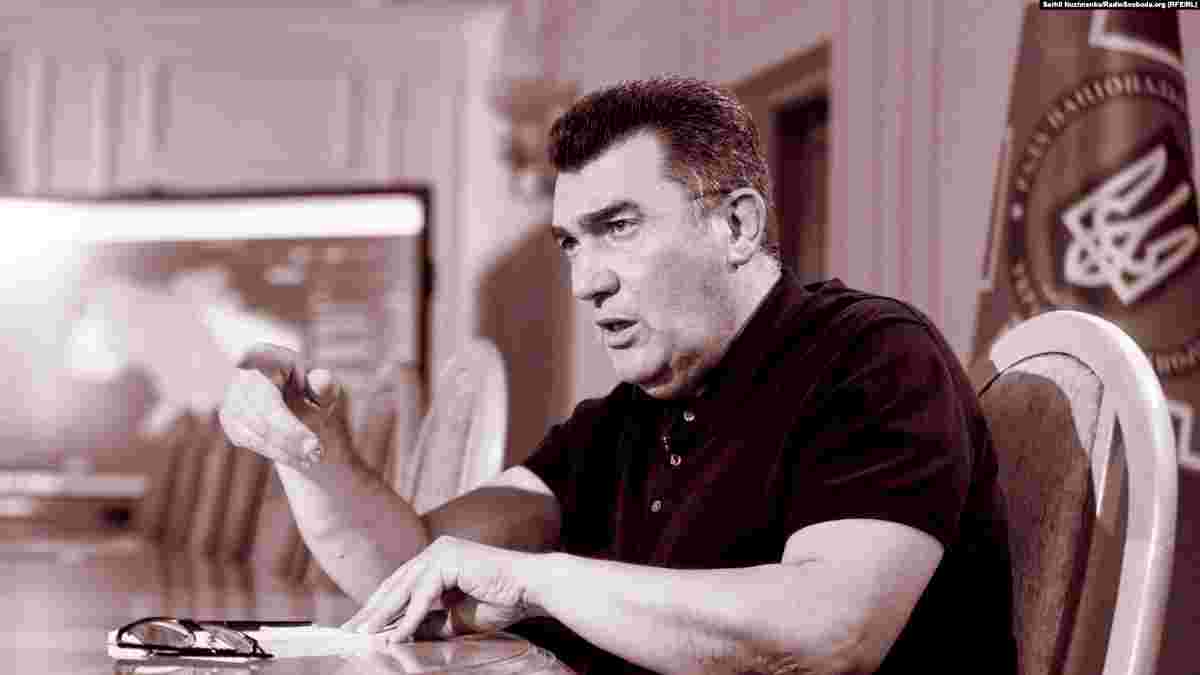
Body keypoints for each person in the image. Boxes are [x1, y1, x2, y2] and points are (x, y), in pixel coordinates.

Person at [218, 76, 1016, 674]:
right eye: (572, 241)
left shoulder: (874, 358)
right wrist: (309, 451)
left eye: (619, 227)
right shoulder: (621, 420)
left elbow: (831, 629)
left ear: (737, 225)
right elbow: (416, 568)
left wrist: (540, 580)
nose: (585, 281)